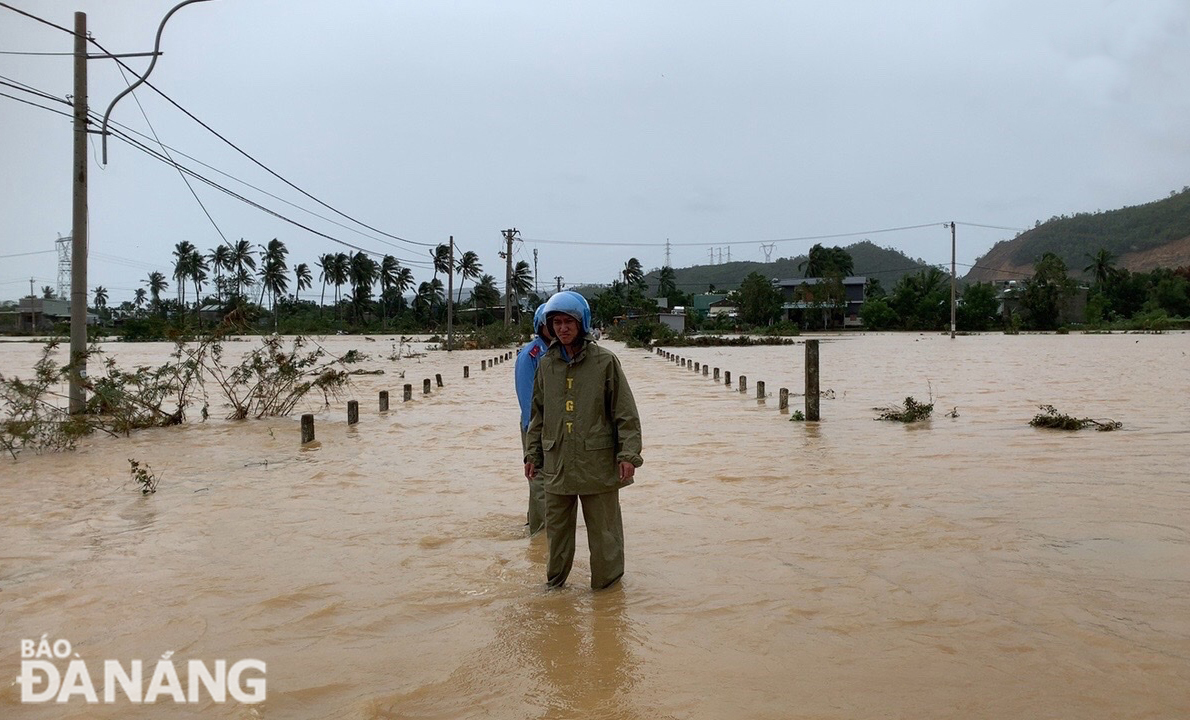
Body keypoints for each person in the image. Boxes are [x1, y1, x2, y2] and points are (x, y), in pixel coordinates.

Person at [524, 291, 643, 590]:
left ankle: (607, 596)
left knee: (605, 536)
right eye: (556, 323)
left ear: (582, 324)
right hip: (557, 464)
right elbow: (537, 415)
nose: (562, 328)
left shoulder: (605, 362)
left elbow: (625, 412)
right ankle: (554, 589)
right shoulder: (546, 364)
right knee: (557, 535)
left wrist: (628, 454)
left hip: (597, 464)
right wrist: (532, 455)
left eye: (568, 322)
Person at [514, 304, 552, 536]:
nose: (558, 327)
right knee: (538, 478)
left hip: (558, 427)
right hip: (536, 426)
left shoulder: (559, 351)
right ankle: (539, 535)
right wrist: (534, 433)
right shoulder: (531, 354)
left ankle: (538, 523)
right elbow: (527, 397)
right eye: (552, 322)